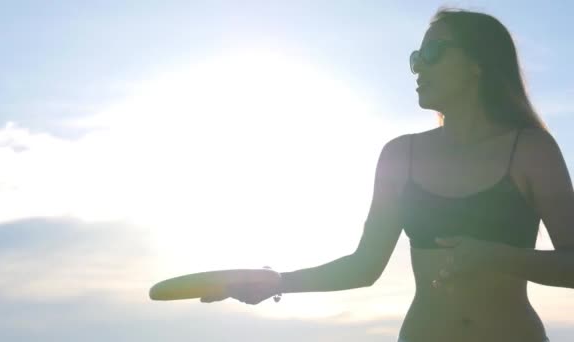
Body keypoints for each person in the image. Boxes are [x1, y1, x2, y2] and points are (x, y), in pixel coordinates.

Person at [201, 8, 574, 342]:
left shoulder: (530, 150)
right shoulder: (400, 154)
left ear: (478, 63)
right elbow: (364, 266)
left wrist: (497, 256)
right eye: (416, 59)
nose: (419, 68)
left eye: (432, 53)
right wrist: (278, 282)